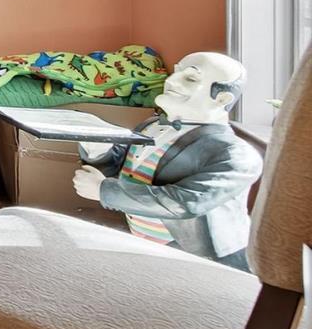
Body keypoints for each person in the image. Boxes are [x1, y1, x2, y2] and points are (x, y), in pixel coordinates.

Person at [72, 52, 259, 270]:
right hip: (144, 247)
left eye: (191, 78)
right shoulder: (151, 126)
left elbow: (186, 202)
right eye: (176, 72)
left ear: (222, 99)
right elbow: (126, 169)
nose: (171, 80)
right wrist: (98, 147)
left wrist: (103, 190)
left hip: (200, 263)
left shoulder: (234, 153)